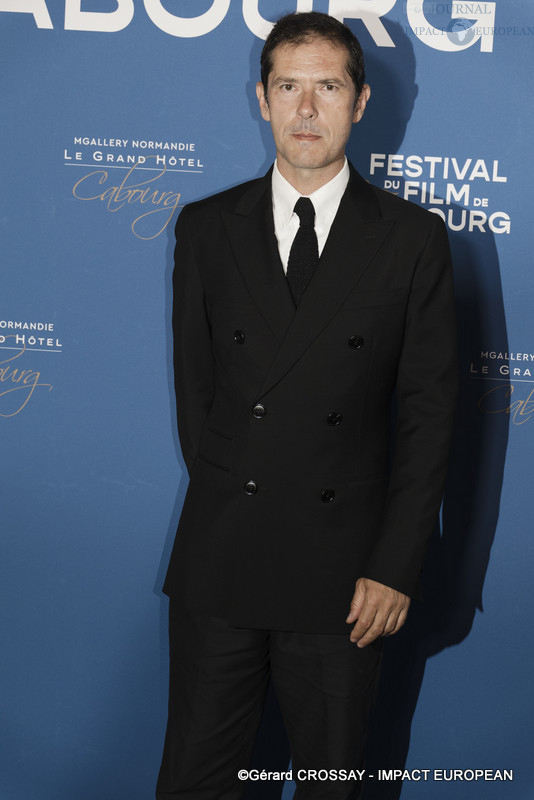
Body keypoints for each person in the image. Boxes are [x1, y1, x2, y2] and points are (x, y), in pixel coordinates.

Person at [156, 11, 457, 800]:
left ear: (360, 104)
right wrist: (234, 495)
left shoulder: (412, 239)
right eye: (289, 86)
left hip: (345, 583)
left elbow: (429, 420)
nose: (306, 110)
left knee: (334, 787)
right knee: (195, 781)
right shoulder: (206, 228)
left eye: (328, 87)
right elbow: (199, 398)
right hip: (221, 565)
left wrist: (394, 566)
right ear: (263, 99)